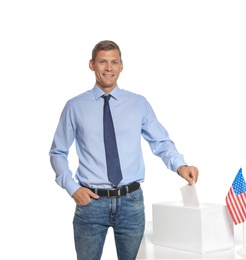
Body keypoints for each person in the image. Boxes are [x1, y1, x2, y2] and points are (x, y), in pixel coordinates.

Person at [49, 40, 199, 260]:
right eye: (102, 62)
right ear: (92, 65)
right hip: (91, 203)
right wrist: (72, 188)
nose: (108, 68)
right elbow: (58, 152)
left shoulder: (138, 103)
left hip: (131, 202)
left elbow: (161, 141)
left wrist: (181, 166)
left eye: (114, 62)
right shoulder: (75, 106)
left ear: (121, 66)